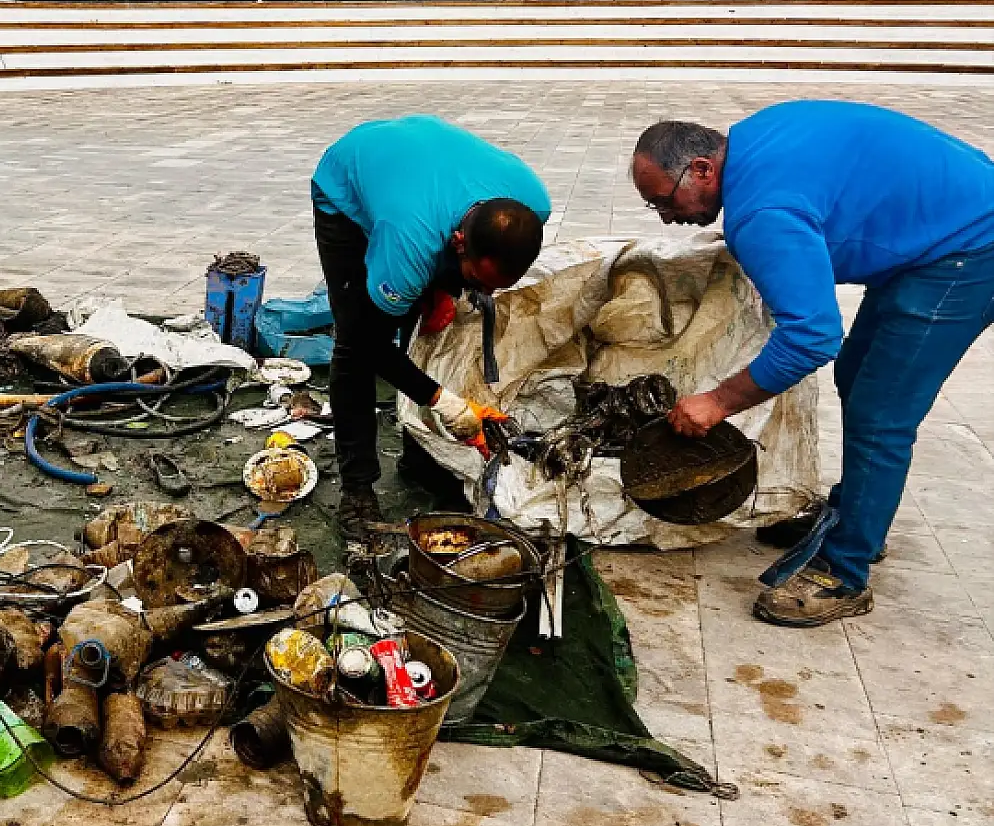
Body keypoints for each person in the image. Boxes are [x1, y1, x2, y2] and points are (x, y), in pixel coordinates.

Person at [632, 101, 994, 627]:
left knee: (881, 412)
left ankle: (844, 571)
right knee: (857, 374)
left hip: (970, 248)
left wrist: (717, 402)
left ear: (703, 169)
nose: (667, 217)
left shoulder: (760, 214)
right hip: (941, 228)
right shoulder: (753, 138)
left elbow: (812, 338)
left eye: (664, 201)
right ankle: (856, 515)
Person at [311, 114, 552, 537]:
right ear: (458, 243)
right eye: (478, 281)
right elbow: (371, 342)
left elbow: (456, 276)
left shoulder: (534, 203)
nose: (483, 294)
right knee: (355, 342)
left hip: (422, 170)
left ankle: (418, 454)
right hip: (349, 182)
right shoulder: (409, 239)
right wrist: (446, 404)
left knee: (419, 321)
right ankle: (357, 487)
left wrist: (444, 289)